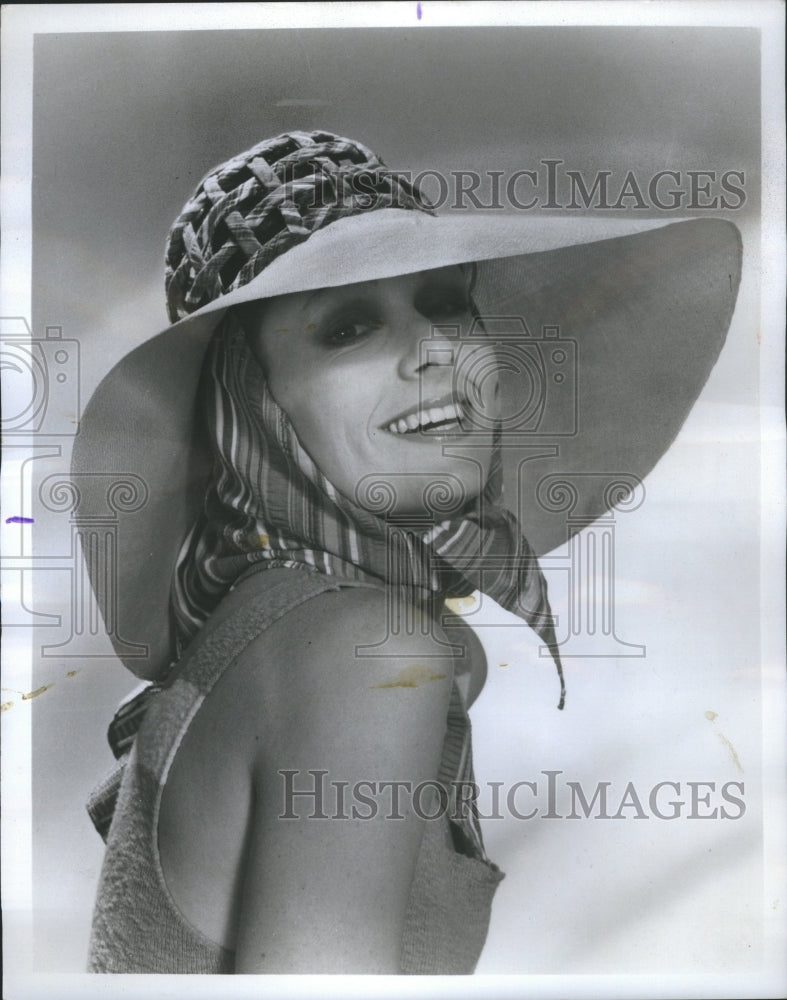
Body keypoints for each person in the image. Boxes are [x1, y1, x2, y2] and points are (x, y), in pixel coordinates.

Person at [74, 130, 742, 973]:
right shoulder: (366, 651)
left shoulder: (277, 624)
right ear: (251, 409)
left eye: (442, 300)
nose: (434, 348)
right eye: (348, 326)